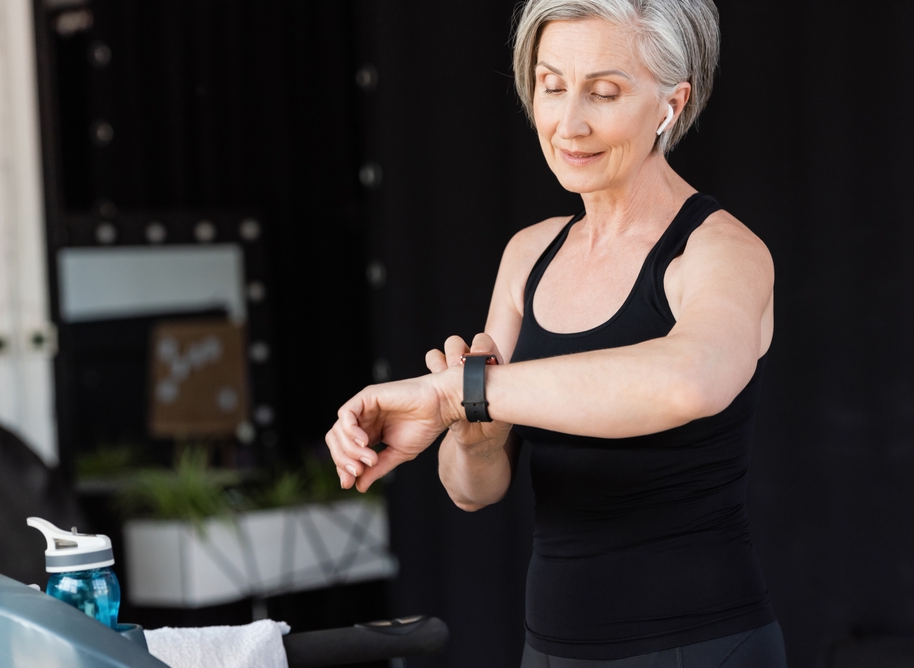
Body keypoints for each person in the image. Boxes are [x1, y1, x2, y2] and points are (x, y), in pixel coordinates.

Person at [325, 0, 787, 665]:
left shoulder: (720, 251)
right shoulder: (529, 254)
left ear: (671, 103)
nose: (568, 124)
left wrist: (460, 393)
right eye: (550, 86)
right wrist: (473, 432)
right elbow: (472, 489)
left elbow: (691, 380)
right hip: (550, 648)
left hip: (699, 645)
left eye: (604, 92)